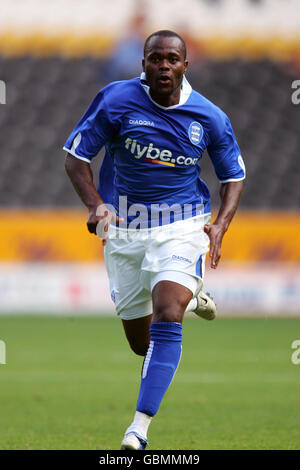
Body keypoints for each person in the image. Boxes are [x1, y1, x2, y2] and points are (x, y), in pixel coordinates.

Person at [63, 30, 245, 450]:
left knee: (167, 313)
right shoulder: (115, 100)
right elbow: (75, 158)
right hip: (124, 230)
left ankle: (138, 428)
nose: (164, 66)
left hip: (182, 225)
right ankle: (193, 294)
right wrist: (95, 204)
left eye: (172, 59)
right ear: (143, 63)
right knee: (141, 344)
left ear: (185, 65)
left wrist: (220, 225)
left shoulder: (209, 117)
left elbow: (233, 176)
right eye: (155, 59)